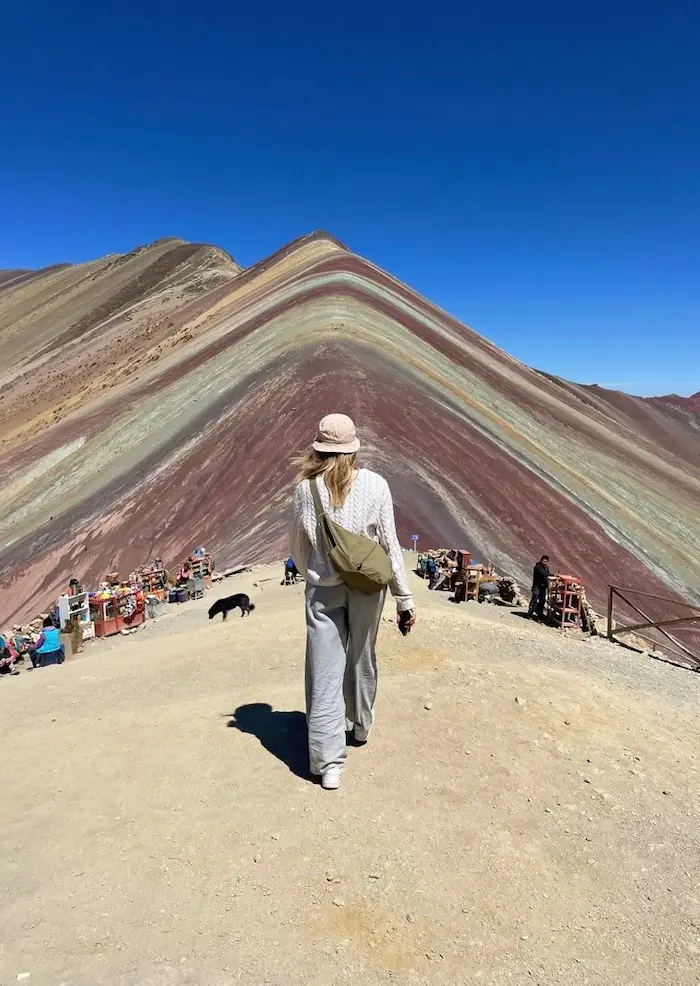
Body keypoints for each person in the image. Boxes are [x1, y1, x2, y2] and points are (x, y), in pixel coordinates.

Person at [290, 413, 415, 790]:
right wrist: (404, 598)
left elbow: (298, 546)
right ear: (353, 448)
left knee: (324, 670)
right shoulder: (376, 485)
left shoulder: (306, 490)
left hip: (323, 591)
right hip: (368, 588)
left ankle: (328, 763)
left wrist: (314, 573)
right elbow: (390, 544)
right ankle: (360, 725)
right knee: (362, 656)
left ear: (319, 448)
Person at [528, 554, 551, 620]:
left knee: (542, 600)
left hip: (543, 587)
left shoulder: (546, 567)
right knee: (534, 599)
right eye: (544, 561)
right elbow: (543, 574)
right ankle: (529, 614)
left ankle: (540, 614)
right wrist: (552, 575)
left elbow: (547, 574)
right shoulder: (537, 567)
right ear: (541, 560)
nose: (544, 562)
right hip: (537, 586)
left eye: (546, 561)